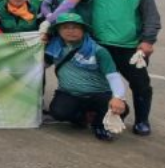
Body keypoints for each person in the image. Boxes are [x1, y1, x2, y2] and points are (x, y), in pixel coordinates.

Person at [84, 0, 160, 136]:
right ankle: (105, 118)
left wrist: (148, 40)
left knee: (141, 85)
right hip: (100, 46)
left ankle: (142, 121)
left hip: (131, 47)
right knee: (101, 85)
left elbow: (151, 17)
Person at [45, 13, 129, 142]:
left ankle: (99, 125)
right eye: (65, 27)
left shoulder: (98, 51)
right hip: (69, 93)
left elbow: (113, 76)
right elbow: (41, 66)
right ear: (58, 31)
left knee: (121, 109)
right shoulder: (54, 47)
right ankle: (82, 117)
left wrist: (118, 98)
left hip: (99, 94)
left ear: (83, 30)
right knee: (58, 112)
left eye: (75, 27)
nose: (70, 31)